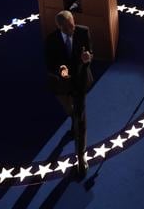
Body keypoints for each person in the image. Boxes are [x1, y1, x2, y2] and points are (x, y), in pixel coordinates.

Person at [44, 10, 95, 177]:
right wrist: (61, 70)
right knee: (71, 112)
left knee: (81, 118)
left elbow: (89, 54)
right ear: (59, 27)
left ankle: (81, 157)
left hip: (80, 82)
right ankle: (72, 119)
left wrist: (88, 59)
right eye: (67, 27)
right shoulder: (51, 40)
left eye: (72, 24)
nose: (72, 28)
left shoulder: (83, 31)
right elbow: (50, 64)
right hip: (62, 85)